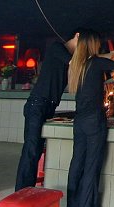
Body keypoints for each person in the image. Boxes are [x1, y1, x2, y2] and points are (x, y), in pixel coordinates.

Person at [65, 30, 114, 207]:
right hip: (94, 120)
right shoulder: (96, 62)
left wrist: (110, 72)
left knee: (77, 162)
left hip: (79, 121)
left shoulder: (78, 66)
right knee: (92, 165)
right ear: (93, 45)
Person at [15, 28, 82, 191]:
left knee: (36, 150)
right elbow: (75, 62)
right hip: (37, 104)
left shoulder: (69, 58)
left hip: (48, 106)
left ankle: (27, 190)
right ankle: (21, 192)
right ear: (77, 36)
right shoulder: (57, 48)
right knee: (31, 149)